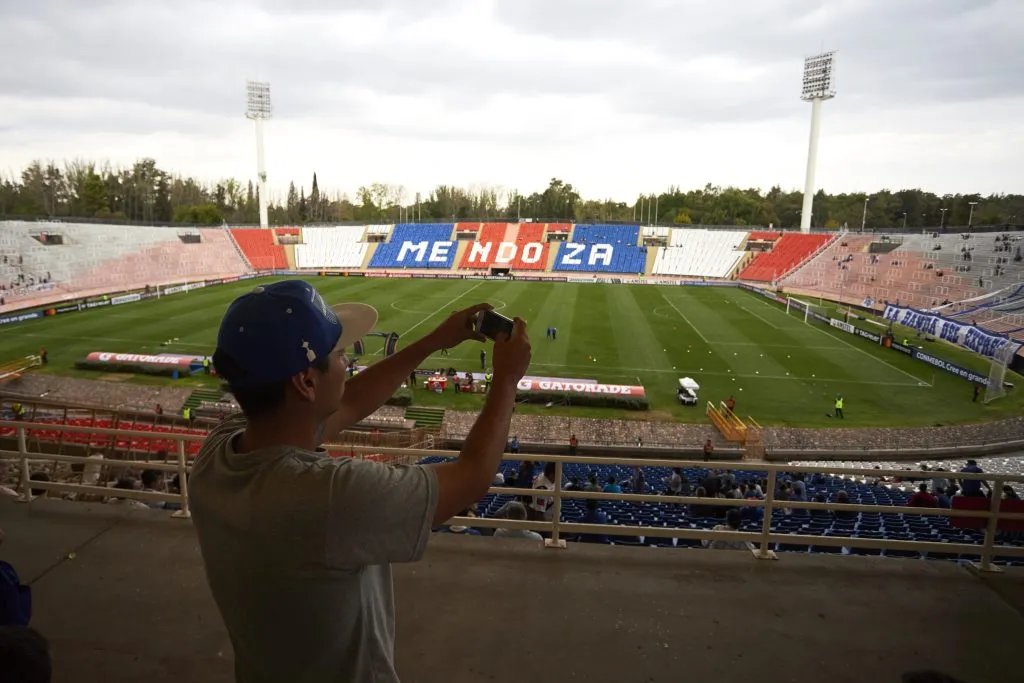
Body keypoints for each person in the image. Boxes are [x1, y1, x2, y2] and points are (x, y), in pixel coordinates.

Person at [187, 281, 532, 683]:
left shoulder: (218, 450)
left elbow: (349, 401)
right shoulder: (329, 495)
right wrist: (506, 380)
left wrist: (433, 342)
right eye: (339, 354)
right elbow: (471, 478)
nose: (348, 362)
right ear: (306, 382)